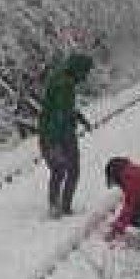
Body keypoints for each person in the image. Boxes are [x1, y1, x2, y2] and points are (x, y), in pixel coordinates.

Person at [37, 51, 93, 217]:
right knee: (71, 170)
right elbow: (59, 113)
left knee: (58, 170)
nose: (86, 77)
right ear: (79, 70)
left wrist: (79, 117)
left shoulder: (60, 78)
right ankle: (63, 207)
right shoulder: (65, 85)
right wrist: (53, 142)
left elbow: (61, 108)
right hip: (60, 134)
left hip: (51, 132)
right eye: (86, 72)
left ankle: (55, 205)